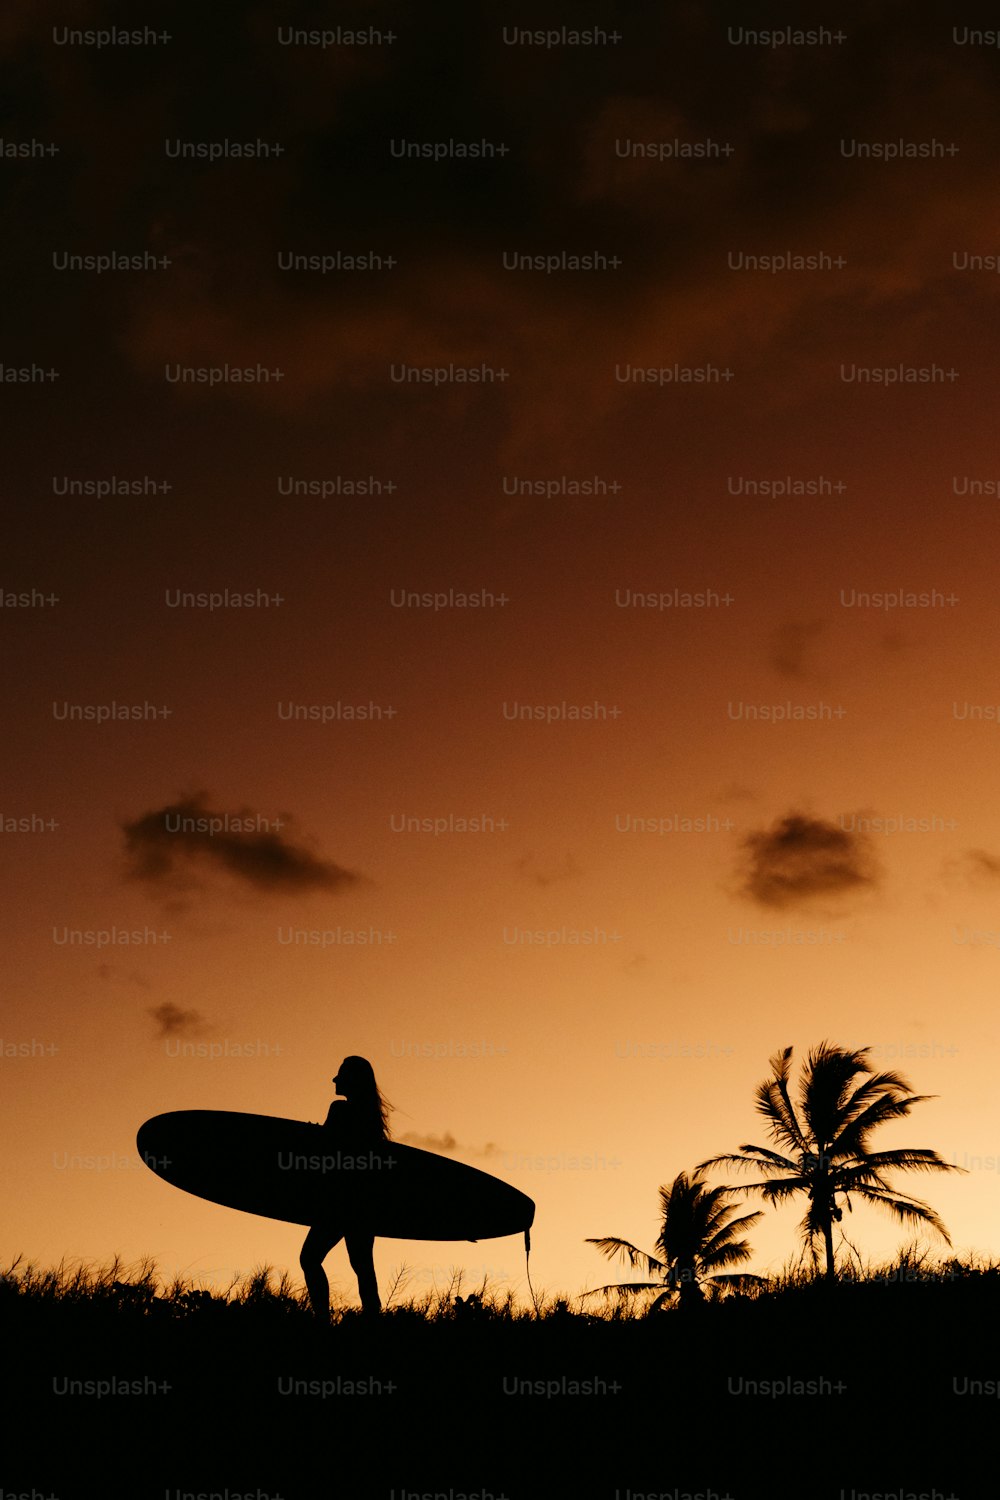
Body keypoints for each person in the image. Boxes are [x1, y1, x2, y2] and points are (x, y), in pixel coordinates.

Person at [299, 1055, 392, 1320]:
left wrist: (310, 1137)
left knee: (310, 1258)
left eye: (340, 1074)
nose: (334, 1079)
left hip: (340, 1202)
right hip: (363, 1203)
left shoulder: (340, 1110)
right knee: (362, 1265)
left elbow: (326, 1150)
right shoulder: (372, 1120)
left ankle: (322, 1321)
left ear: (352, 1081)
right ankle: (373, 1319)